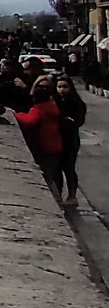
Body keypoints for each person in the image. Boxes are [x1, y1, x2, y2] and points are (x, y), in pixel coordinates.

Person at [15, 83, 71, 209]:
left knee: (46, 176)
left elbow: (30, 121)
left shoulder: (38, 109)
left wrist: (16, 114)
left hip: (45, 146)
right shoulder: (52, 107)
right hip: (55, 145)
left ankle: (57, 203)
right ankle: (58, 201)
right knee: (52, 175)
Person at [57, 73, 88, 210]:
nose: (62, 90)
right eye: (59, 87)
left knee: (69, 167)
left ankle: (72, 195)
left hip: (71, 139)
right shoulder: (55, 101)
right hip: (57, 138)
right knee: (57, 167)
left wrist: (70, 121)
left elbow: (79, 121)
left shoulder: (76, 102)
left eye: (65, 86)